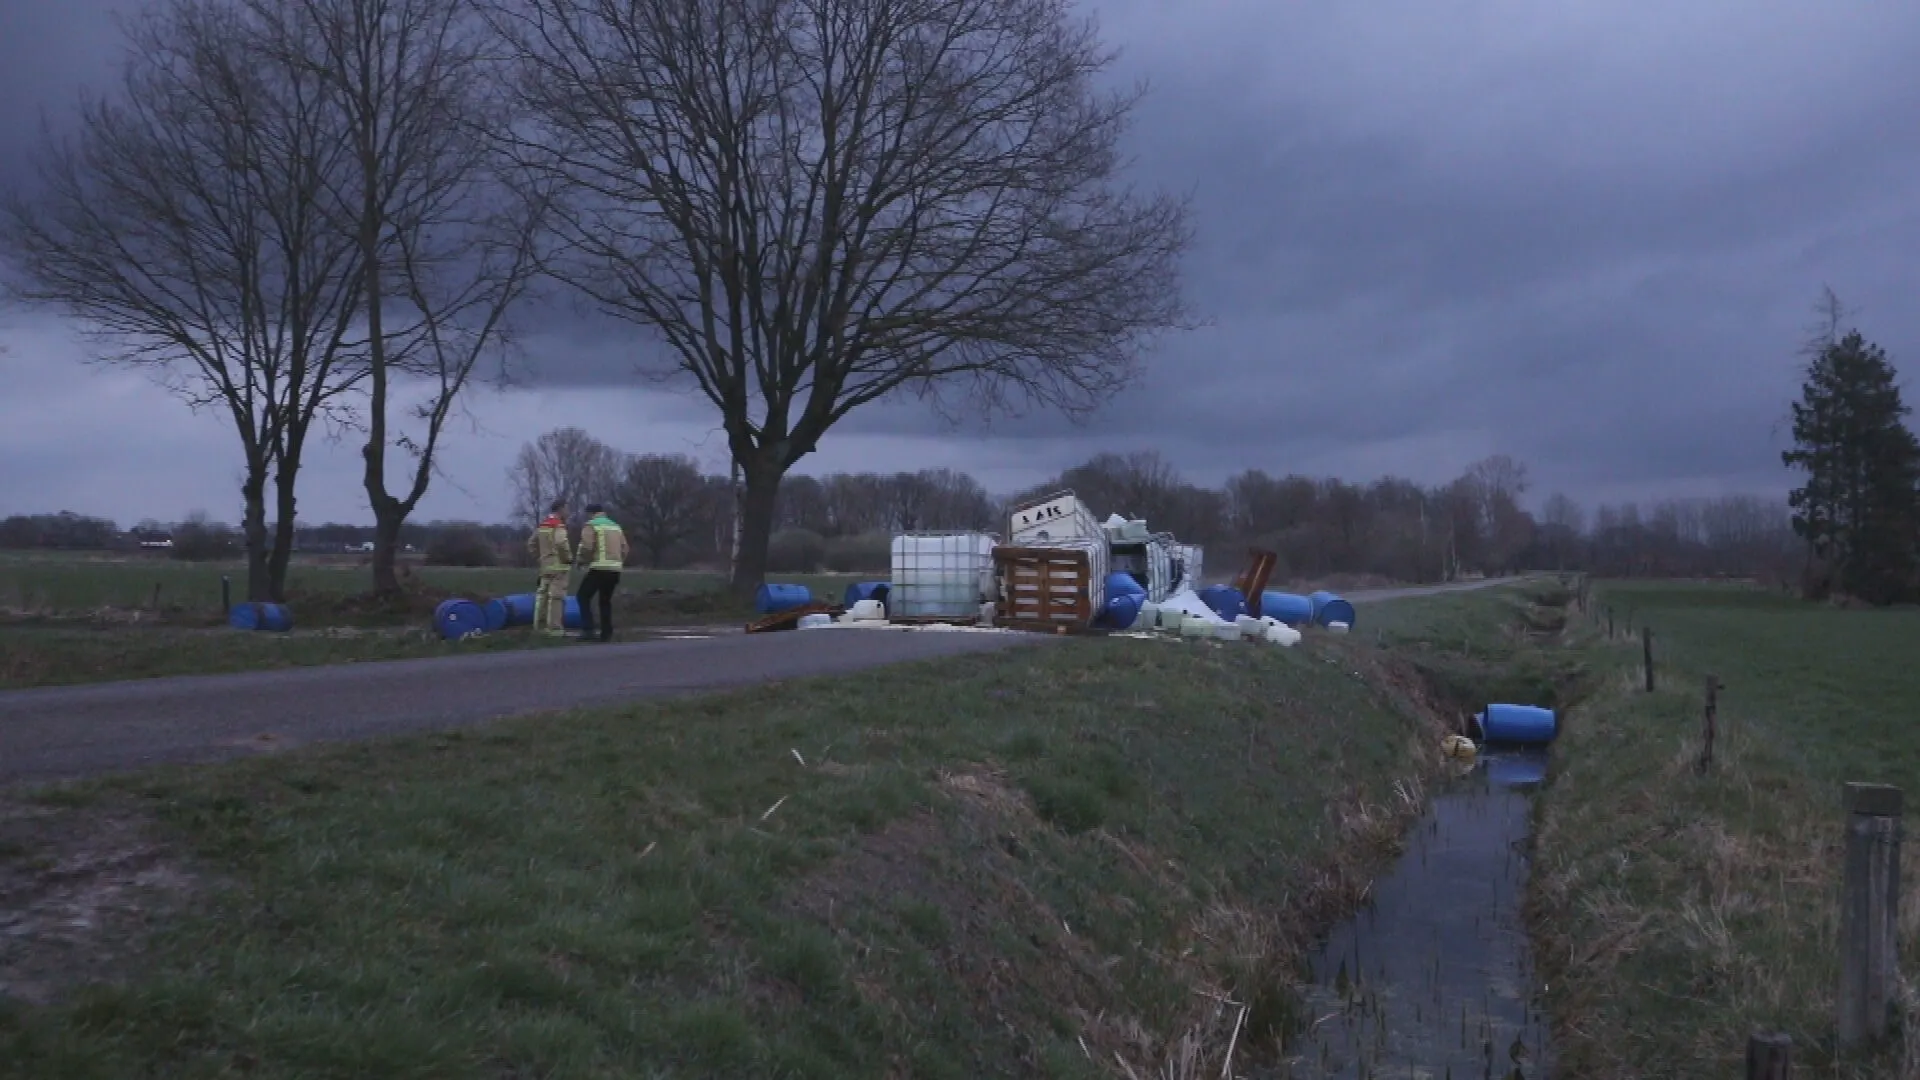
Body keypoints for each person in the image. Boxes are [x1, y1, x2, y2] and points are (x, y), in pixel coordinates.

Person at [573, 502, 628, 642]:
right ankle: (606, 633)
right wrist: (618, 562)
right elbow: (625, 549)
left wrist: (581, 561)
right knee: (605, 601)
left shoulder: (591, 525)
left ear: (591, 513)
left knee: (582, 596)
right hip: (615, 570)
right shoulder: (615, 526)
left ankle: (588, 629)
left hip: (599, 568)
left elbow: (587, 547)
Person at [526, 498, 572, 637]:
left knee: (542, 596)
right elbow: (561, 543)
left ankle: (539, 626)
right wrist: (568, 558)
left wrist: (540, 557)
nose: (568, 512)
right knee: (556, 597)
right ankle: (555, 629)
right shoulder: (558, 525)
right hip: (559, 567)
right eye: (567, 508)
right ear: (561, 509)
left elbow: (531, 543)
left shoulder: (543, 525)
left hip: (545, 567)